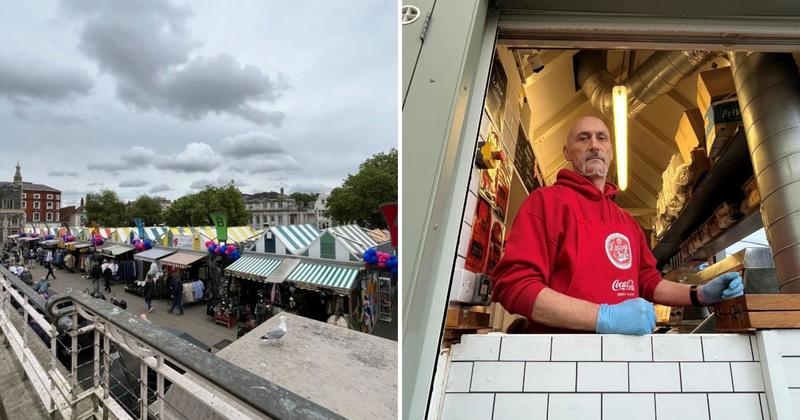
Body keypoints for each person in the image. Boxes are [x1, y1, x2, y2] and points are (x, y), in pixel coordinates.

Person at [491, 116, 744, 335]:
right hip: (561, 359)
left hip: (623, 360)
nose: (594, 145)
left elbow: (649, 282)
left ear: (611, 151)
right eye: (583, 138)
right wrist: (604, 317)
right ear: (567, 152)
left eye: (602, 138)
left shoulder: (627, 222)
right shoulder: (545, 203)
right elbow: (515, 286)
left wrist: (697, 294)